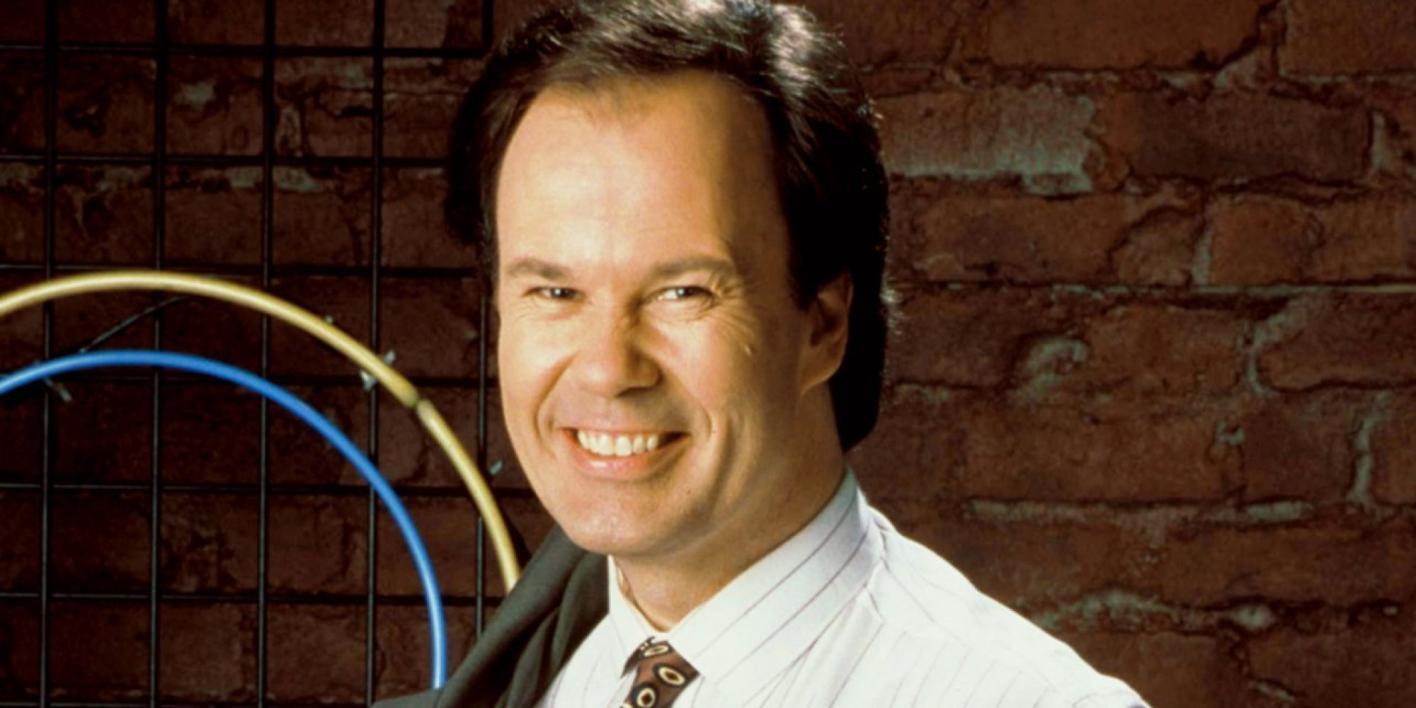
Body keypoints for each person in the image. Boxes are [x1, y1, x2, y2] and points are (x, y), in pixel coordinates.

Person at [382, 1, 1149, 706]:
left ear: (822, 323)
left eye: (682, 291)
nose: (608, 369)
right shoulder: (531, 677)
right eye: (555, 292)